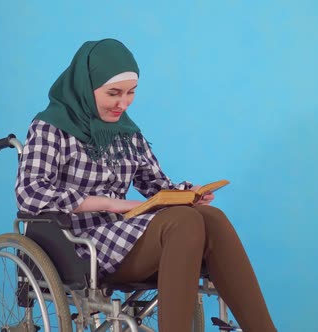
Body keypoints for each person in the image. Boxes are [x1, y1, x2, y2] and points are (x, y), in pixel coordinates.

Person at [15, 38, 277, 332]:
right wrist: (110, 203)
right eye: (113, 93)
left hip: (124, 231)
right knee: (183, 222)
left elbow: (157, 186)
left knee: (208, 217)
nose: (123, 104)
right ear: (85, 86)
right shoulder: (51, 128)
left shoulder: (127, 133)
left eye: (131, 93)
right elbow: (30, 193)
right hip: (77, 243)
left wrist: (189, 194)